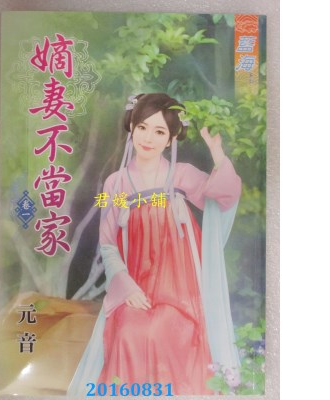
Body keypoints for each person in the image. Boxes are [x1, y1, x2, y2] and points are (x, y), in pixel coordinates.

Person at [68, 93, 242, 395]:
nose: (148, 138)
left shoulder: (181, 175)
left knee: (161, 331)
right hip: (135, 286)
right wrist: (126, 287)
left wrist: (217, 155)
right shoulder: (116, 184)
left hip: (180, 290)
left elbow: (224, 197)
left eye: (159, 131)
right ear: (131, 127)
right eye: (142, 127)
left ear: (171, 138)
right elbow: (108, 244)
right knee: (128, 332)